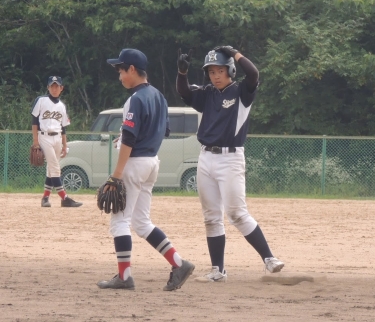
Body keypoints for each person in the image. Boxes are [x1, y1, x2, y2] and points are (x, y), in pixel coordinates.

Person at [176, 46, 285, 282]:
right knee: (211, 217)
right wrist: (182, 73)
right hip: (206, 158)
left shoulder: (241, 93)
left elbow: (253, 74)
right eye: (211, 71)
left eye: (220, 70)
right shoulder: (207, 93)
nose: (215, 76)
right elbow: (184, 92)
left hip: (231, 158)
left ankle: (269, 258)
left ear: (231, 71)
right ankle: (218, 271)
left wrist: (234, 53)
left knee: (236, 213)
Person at [97, 48, 195, 291]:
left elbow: (130, 137)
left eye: (121, 70)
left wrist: (116, 175)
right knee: (141, 222)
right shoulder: (159, 96)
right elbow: (164, 131)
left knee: (119, 222)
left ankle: (124, 277)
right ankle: (179, 263)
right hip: (151, 162)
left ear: (132, 69)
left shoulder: (135, 99)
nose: (119, 75)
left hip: (134, 163)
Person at [31, 75, 82, 208]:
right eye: (52, 86)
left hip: (58, 137)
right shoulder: (41, 100)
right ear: (48, 88)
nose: (54, 89)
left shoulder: (62, 106)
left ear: (61, 88)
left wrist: (65, 145)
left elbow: (63, 127)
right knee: (55, 168)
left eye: (57, 86)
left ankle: (45, 198)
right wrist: (35, 141)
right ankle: (64, 198)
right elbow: (34, 122)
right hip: (44, 136)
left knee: (51, 169)